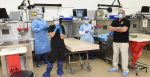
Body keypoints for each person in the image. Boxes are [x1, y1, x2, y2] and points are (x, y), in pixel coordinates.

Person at [108, 9, 130, 77]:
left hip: (124, 42)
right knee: (115, 55)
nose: (120, 14)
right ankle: (115, 67)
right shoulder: (115, 20)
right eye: (119, 13)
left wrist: (115, 28)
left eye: (121, 13)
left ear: (124, 14)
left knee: (124, 56)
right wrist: (119, 28)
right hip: (115, 41)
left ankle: (125, 70)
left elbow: (124, 30)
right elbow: (110, 28)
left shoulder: (127, 21)